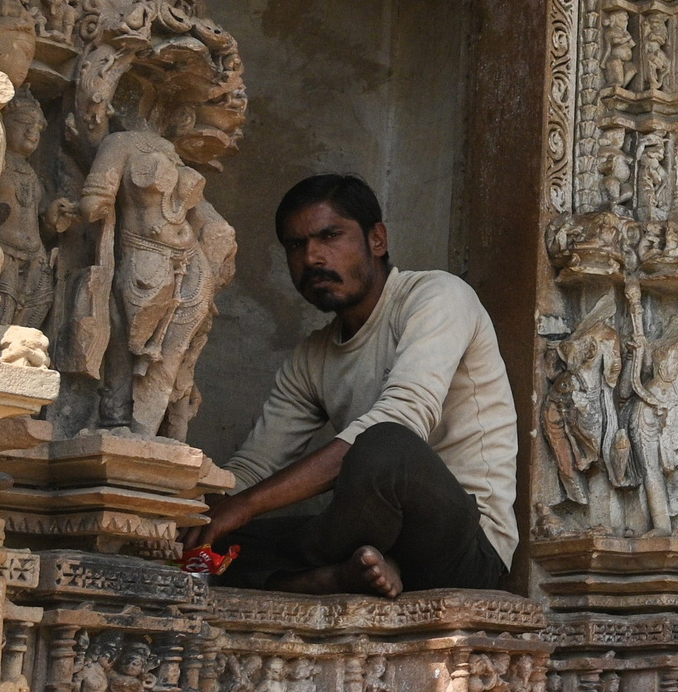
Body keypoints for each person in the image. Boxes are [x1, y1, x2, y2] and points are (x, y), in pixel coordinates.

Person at [184, 174, 517, 597]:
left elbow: (405, 419)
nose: (312, 257)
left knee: (386, 447)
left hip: (464, 548)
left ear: (377, 239)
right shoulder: (312, 355)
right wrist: (197, 513)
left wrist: (246, 507)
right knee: (217, 541)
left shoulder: (438, 296)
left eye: (330, 236)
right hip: (368, 546)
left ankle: (315, 571)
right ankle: (334, 576)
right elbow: (253, 468)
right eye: (295, 245)